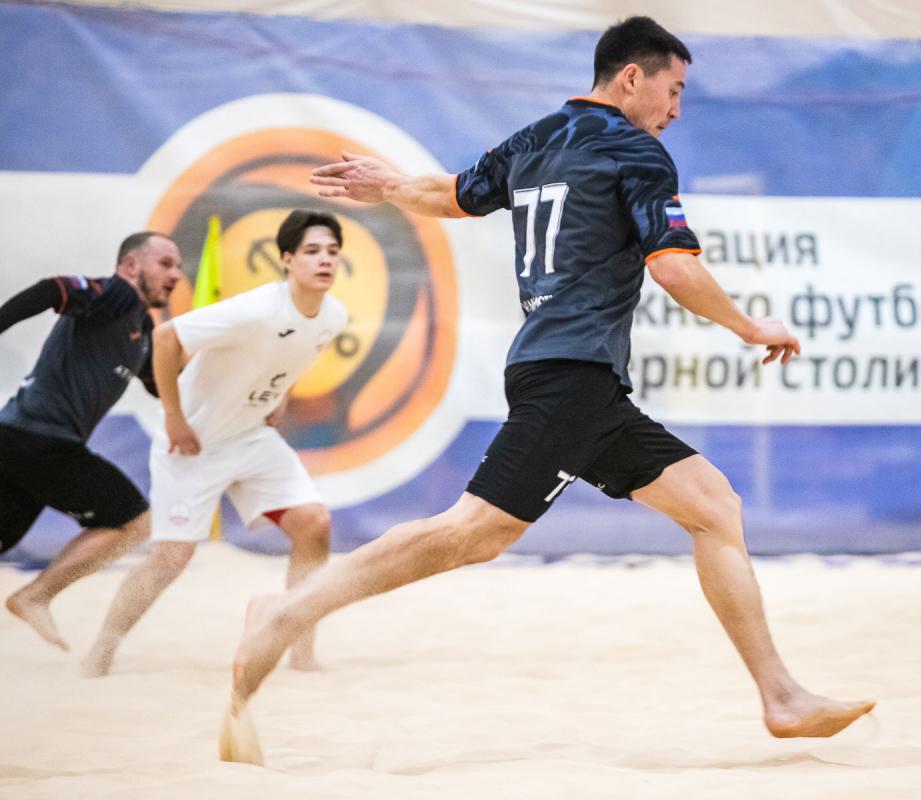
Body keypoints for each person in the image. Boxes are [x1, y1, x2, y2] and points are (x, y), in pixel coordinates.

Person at [225, 17, 873, 755]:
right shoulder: (637, 151)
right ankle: (286, 613)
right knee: (472, 533)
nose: (676, 108)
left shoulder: (536, 139)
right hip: (573, 375)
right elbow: (674, 267)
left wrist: (393, 186)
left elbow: (455, 195)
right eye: (673, 89)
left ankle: (780, 696)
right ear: (632, 77)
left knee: (713, 506)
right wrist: (750, 326)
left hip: (574, 377)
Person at [80, 210, 347, 677]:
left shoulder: (333, 315)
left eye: (332, 252)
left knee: (314, 524)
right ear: (287, 259)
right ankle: (102, 649)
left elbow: (292, 355)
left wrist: (279, 398)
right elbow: (166, 337)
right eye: (311, 251)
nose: (324, 260)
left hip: (252, 437)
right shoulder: (257, 309)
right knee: (171, 558)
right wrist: (174, 417)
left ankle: (301, 652)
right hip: (193, 444)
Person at [1, 232, 184, 651]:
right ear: (131, 266)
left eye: (178, 266)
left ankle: (34, 596)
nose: (176, 274)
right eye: (165, 263)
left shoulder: (143, 327)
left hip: (20, 441)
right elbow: (51, 289)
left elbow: (160, 387)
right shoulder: (113, 295)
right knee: (133, 521)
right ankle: (35, 596)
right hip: (41, 440)